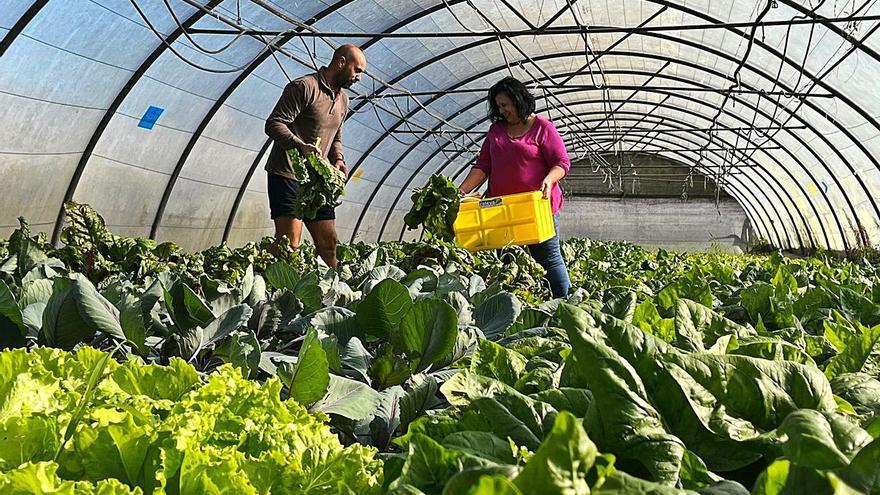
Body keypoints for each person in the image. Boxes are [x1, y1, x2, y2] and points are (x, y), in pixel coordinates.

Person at [458, 76, 572, 298]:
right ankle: (519, 304)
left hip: (536, 208)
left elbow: (562, 163)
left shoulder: (542, 127)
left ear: (519, 100)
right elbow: (483, 167)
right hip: (502, 210)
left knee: (548, 258)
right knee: (508, 262)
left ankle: (564, 303)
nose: (501, 110)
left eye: (505, 105)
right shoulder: (496, 131)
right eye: (498, 106)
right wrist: (460, 193)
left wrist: (549, 180)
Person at [264, 44, 366, 268]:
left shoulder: (343, 100)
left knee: (329, 244)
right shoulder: (304, 87)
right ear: (341, 62)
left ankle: (330, 292)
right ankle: (262, 269)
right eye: (356, 70)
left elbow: (336, 137)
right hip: (287, 173)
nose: (358, 78)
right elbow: (274, 124)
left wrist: (338, 159)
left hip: (317, 182)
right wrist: (300, 146)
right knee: (289, 244)